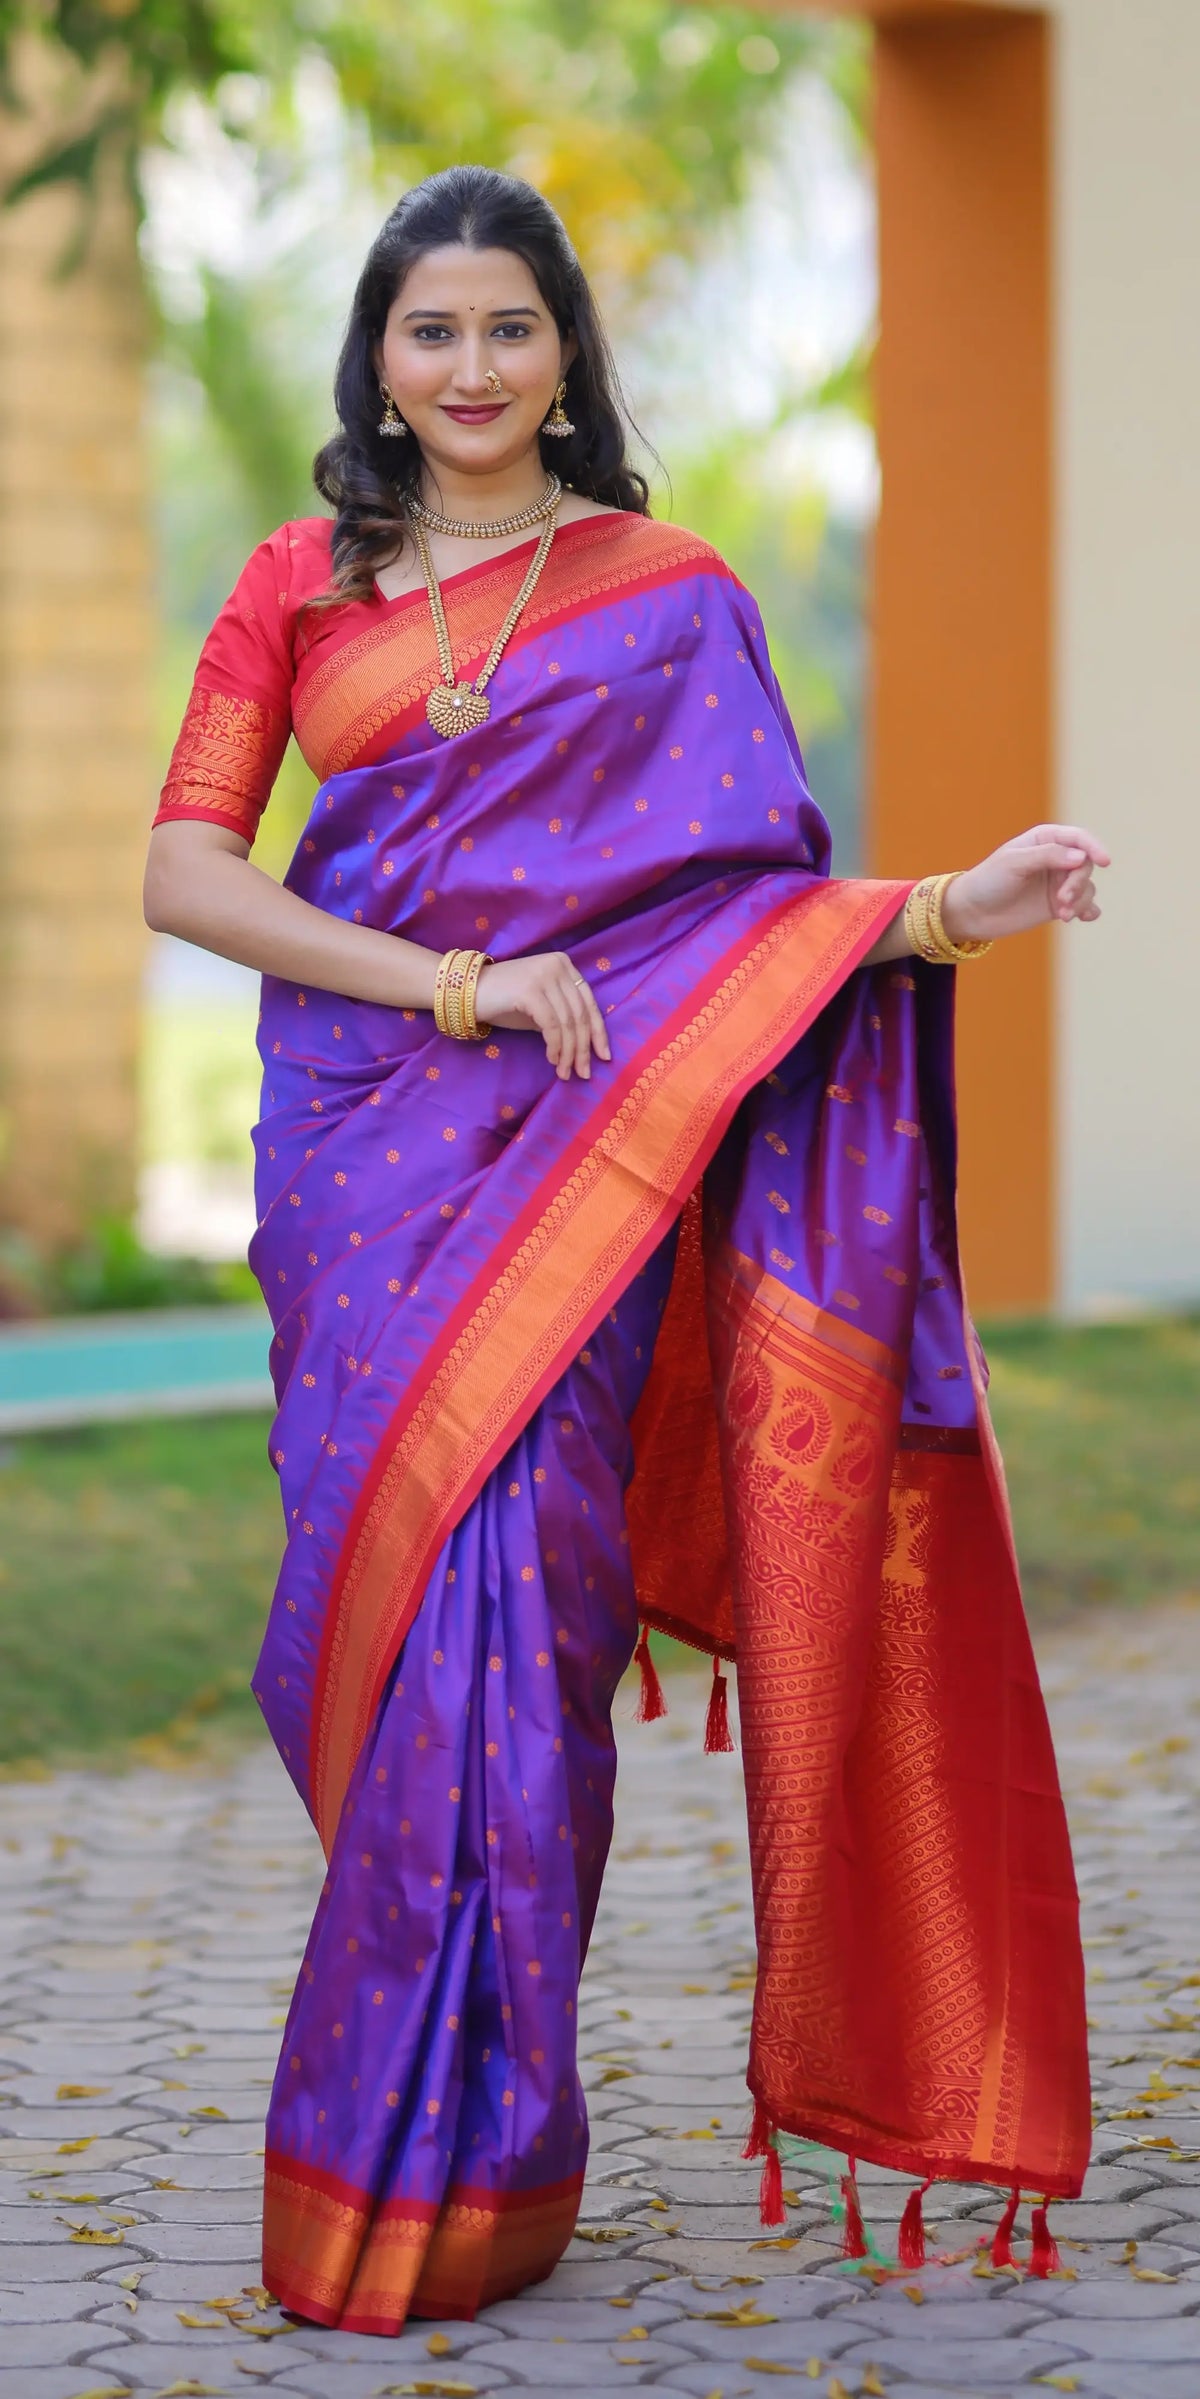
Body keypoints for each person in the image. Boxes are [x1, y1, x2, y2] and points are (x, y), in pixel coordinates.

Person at [144, 164, 1107, 2333]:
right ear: (377, 359)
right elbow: (186, 880)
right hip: (369, 1150)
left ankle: (479, 2153)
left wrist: (948, 909)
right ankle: (403, 2144)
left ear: (565, 349)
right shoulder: (298, 583)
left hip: (584, 1166)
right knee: (395, 1649)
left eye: (507, 327)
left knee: (530, 1642)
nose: (469, 369)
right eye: (429, 331)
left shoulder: (669, 596)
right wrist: (452, 985)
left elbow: (744, 918)